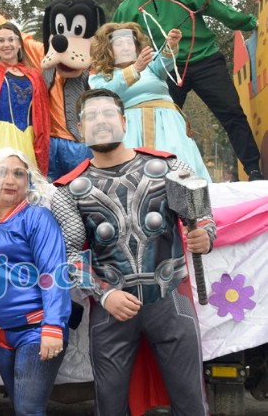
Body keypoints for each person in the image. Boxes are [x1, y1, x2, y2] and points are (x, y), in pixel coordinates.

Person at [50, 89, 216, 415]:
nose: (100, 122)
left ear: (124, 121)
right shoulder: (68, 190)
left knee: (192, 403)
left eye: (107, 114)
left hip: (170, 302)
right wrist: (104, 293)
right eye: (91, 117)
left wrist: (205, 236)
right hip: (111, 310)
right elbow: (70, 256)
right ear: (80, 129)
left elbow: (202, 217)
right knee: (109, 407)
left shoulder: (168, 166)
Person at [113, 0, 262, 180]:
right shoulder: (127, 9)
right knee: (164, 122)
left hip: (204, 59)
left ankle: (253, 170)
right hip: (165, 70)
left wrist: (249, 23)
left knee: (232, 113)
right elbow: (115, 44)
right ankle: (161, 177)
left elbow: (220, 11)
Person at [0, 148, 70, 416]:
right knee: (18, 406)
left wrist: (54, 327)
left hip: (35, 328)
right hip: (0, 335)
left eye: (18, 174)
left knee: (28, 410)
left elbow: (54, 273)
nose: (10, 180)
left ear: (28, 182)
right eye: (2, 172)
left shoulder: (37, 217)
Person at [0, 0, 97, 181]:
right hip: (49, 141)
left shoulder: (91, 58)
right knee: (47, 191)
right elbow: (18, 38)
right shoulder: (44, 54)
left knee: (82, 186)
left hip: (80, 142)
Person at [90, 22, 211, 181]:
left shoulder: (149, 63)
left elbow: (163, 63)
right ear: (108, 48)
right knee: (138, 174)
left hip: (169, 125)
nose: (126, 47)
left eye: (129, 42)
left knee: (179, 164)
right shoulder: (101, 75)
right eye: (119, 43)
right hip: (132, 129)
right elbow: (106, 95)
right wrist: (135, 70)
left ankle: (190, 202)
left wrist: (170, 45)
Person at [0, 21, 50, 182]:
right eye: (1, 40)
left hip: (27, 137)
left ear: (19, 43)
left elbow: (42, 114)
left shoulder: (34, 75)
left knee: (23, 184)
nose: (7, 44)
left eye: (11, 39)